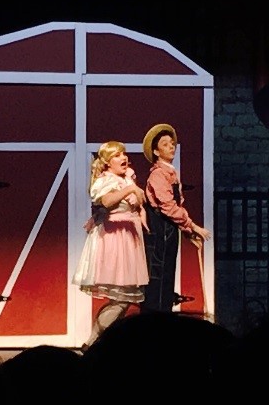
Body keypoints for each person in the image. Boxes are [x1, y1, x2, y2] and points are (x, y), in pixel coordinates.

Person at [72, 140, 149, 349]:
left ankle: (98, 343)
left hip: (130, 236)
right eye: (117, 155)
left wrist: (141, 215)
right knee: (121, 298)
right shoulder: (106, 180)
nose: (123, 158)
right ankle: (93, 343)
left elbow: (133, 205)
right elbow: (106, 202)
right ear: (107, 162)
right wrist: (130, 189)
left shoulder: (125, 178)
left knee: (122, 300)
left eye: (123, 154)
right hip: (116, 238)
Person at [141, 123, 211, 312]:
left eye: (172, 144)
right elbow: (168, 208)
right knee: (158, 279)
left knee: (167, 278)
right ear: (156, 151)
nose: (171, 147)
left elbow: (176, 208)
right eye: (165, 144)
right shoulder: (157, 175)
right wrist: (194, 227)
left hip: (169, 230)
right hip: (159, 231)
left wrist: (188, 234)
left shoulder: (171, 173)